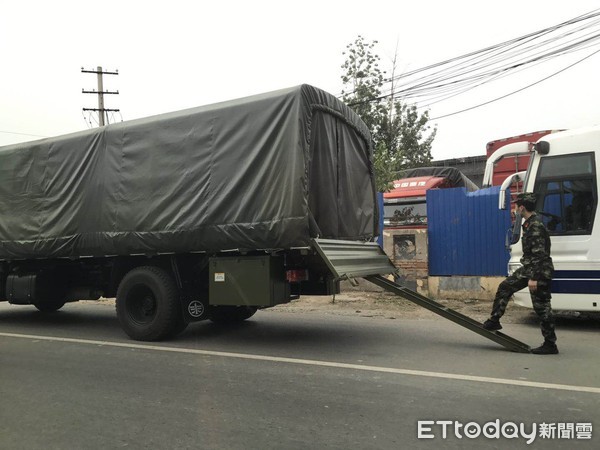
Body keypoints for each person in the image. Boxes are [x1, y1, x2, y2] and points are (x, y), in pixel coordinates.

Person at [483, 192, 558, 355]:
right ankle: (494, 320)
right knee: (505, 287)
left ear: (522, 208)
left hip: (539, 271)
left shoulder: (535, 226)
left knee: (542, 308)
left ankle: (550, 344)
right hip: (530, 268)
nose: (514, 209)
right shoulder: (529, 223)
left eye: (516, 206)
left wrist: (534, 278)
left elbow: (539, 254)